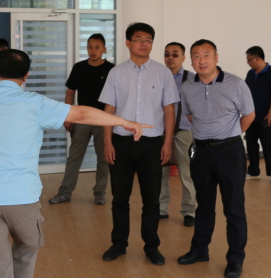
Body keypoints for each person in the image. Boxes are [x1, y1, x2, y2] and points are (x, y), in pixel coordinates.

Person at [0, 49, 150, 278]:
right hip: (20, 195)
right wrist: (124, 122)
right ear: (26, 75)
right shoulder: (35, 103)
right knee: (27, 247)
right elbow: (81, 114)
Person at [99, 23, 178, 266]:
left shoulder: (163, 73)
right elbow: (109, 110)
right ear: (128, 43)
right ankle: (118, 244)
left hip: (152, 144)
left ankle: (151, 247)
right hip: (121, 143)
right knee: (119, 198)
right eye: (138, 39)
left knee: (151, 200)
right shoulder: (116, 73)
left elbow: (169, 110)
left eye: (148, 39)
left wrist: (167, 143)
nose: (144, 43)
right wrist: (107, 142)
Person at [177, 39, 254, 278]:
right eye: (196, 56)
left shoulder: (236, 84)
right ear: (191, 61)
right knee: (204, 205)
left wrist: (228, 135)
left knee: (234, 208)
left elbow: (249, 115)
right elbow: (190, 116)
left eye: (206, 55)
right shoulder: (187, 87)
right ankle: (199, 250)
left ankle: (235, 259)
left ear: (216, 58)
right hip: (201, 152)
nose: (202, 60)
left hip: (230, 152)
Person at [49, 33, 115, 205]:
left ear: (104, 49)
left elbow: (117, 97)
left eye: (97, 47)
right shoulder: (79, 68)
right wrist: (67, 116)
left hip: (103, 120)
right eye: (90, 47)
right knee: (74, 157)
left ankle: (100, 192)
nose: (93, 51)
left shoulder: (111, 70)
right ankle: (65, 192)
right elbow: (70, 92)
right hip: (81, 118)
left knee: (103, 158)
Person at [159, 42, 197, 227]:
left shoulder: (192, 79)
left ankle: (189, 211)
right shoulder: (158, 76)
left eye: (175, 54)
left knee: (186, 174)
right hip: (160, 131)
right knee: (160, 173)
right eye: (167, 54)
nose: (170, 58)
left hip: (184, 132)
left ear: (183, 58)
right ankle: (161, 209)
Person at [245, 46, 271, 184]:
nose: (248, 62)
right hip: (250, 116)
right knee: (251, 144)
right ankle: (253, 172)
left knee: (268, 145)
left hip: (265, 116)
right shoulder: (250, 74)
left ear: (257, 59)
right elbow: (246, 93)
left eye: (249, 60)